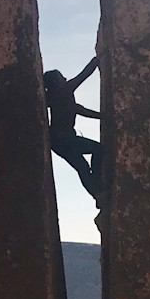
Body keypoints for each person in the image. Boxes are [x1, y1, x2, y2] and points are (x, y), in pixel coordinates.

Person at [44, 57, 102, 201]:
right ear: (56, 83)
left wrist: (104, 116)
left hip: (59, 142)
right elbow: (84, 74)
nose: (65, 78)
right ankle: (98, 189)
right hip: (65, 139)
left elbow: (79, 110)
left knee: (82, 166)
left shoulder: (55, 97)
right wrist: (98, 58)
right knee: (97, 151)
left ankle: (98, 193)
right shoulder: (64, 90)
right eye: (61, 77)